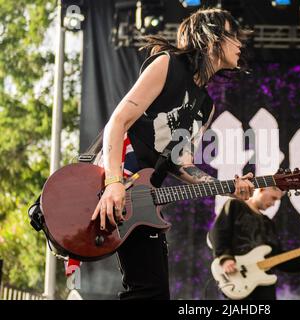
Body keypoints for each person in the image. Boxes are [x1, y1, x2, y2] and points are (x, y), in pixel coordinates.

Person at [89, 8, 255, 300]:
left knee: (150, 290)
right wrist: (113, 182)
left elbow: (182, 163)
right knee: (149, 290)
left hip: (143, 199)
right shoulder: (168, 65)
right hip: (116, 181)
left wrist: (227, 188)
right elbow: (118, 121)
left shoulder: (206, 106)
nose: (240, 43)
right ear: (212, 36)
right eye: (233, 35)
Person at [208, 186, 300, 300]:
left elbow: (279, 259)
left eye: (277, 200)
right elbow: (218, 232)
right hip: (237, 277)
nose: (273, 204)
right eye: (273, 198)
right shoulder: (235, 205)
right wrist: (225, 257)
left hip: (264, 287)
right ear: (262, 189)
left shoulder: (269, 223)